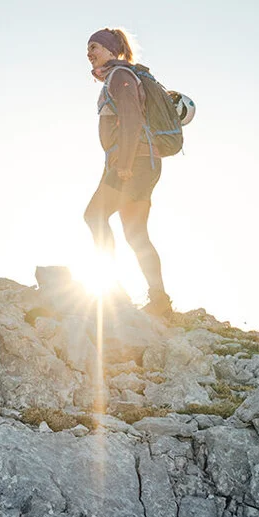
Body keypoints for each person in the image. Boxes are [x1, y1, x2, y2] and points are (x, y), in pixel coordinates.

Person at [83, 27, 173, 319]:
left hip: (133, 162)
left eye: (94, 46)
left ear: (111, 50)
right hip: (142, 162)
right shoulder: (120, 76)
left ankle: (111, 290)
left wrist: (123, 162)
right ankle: (159, 301)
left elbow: (132, 117)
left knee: (94, 216)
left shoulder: (120, 76)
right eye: (88, 48)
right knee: (136, 235)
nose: (89, 52)